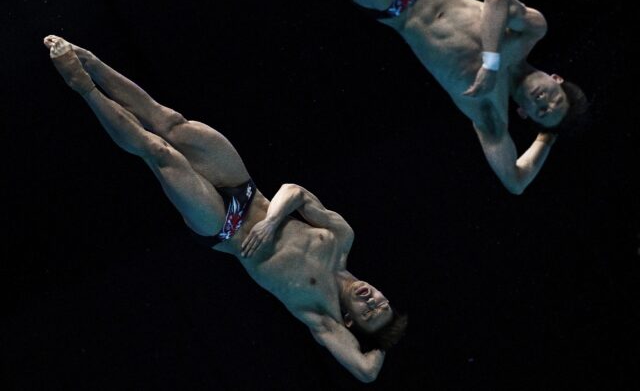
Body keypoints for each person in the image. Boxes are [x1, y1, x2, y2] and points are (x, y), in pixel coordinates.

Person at [43, 35, 407, 383]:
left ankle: (82, 85)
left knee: (157, 152)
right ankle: (89, 60)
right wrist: (273, 221)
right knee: (168, 121)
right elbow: (294, 191)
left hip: (223, 228)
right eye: (382, 302)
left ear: (349, 321)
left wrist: (382, 339)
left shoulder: (319, 314)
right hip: (248, 190)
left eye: (369, 314)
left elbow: (366, 372)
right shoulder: (341, 238)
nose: (372, 300)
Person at [336, 0, 588, 194]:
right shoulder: (530, 33)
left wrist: (547, 136)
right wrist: (491, 64)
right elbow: (496, 1)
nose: (543, 101)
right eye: (554, 97)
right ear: (555, 78)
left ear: (523, 112)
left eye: (542, 111)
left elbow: (516, 183)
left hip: (393, 5)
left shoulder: (488, 110)